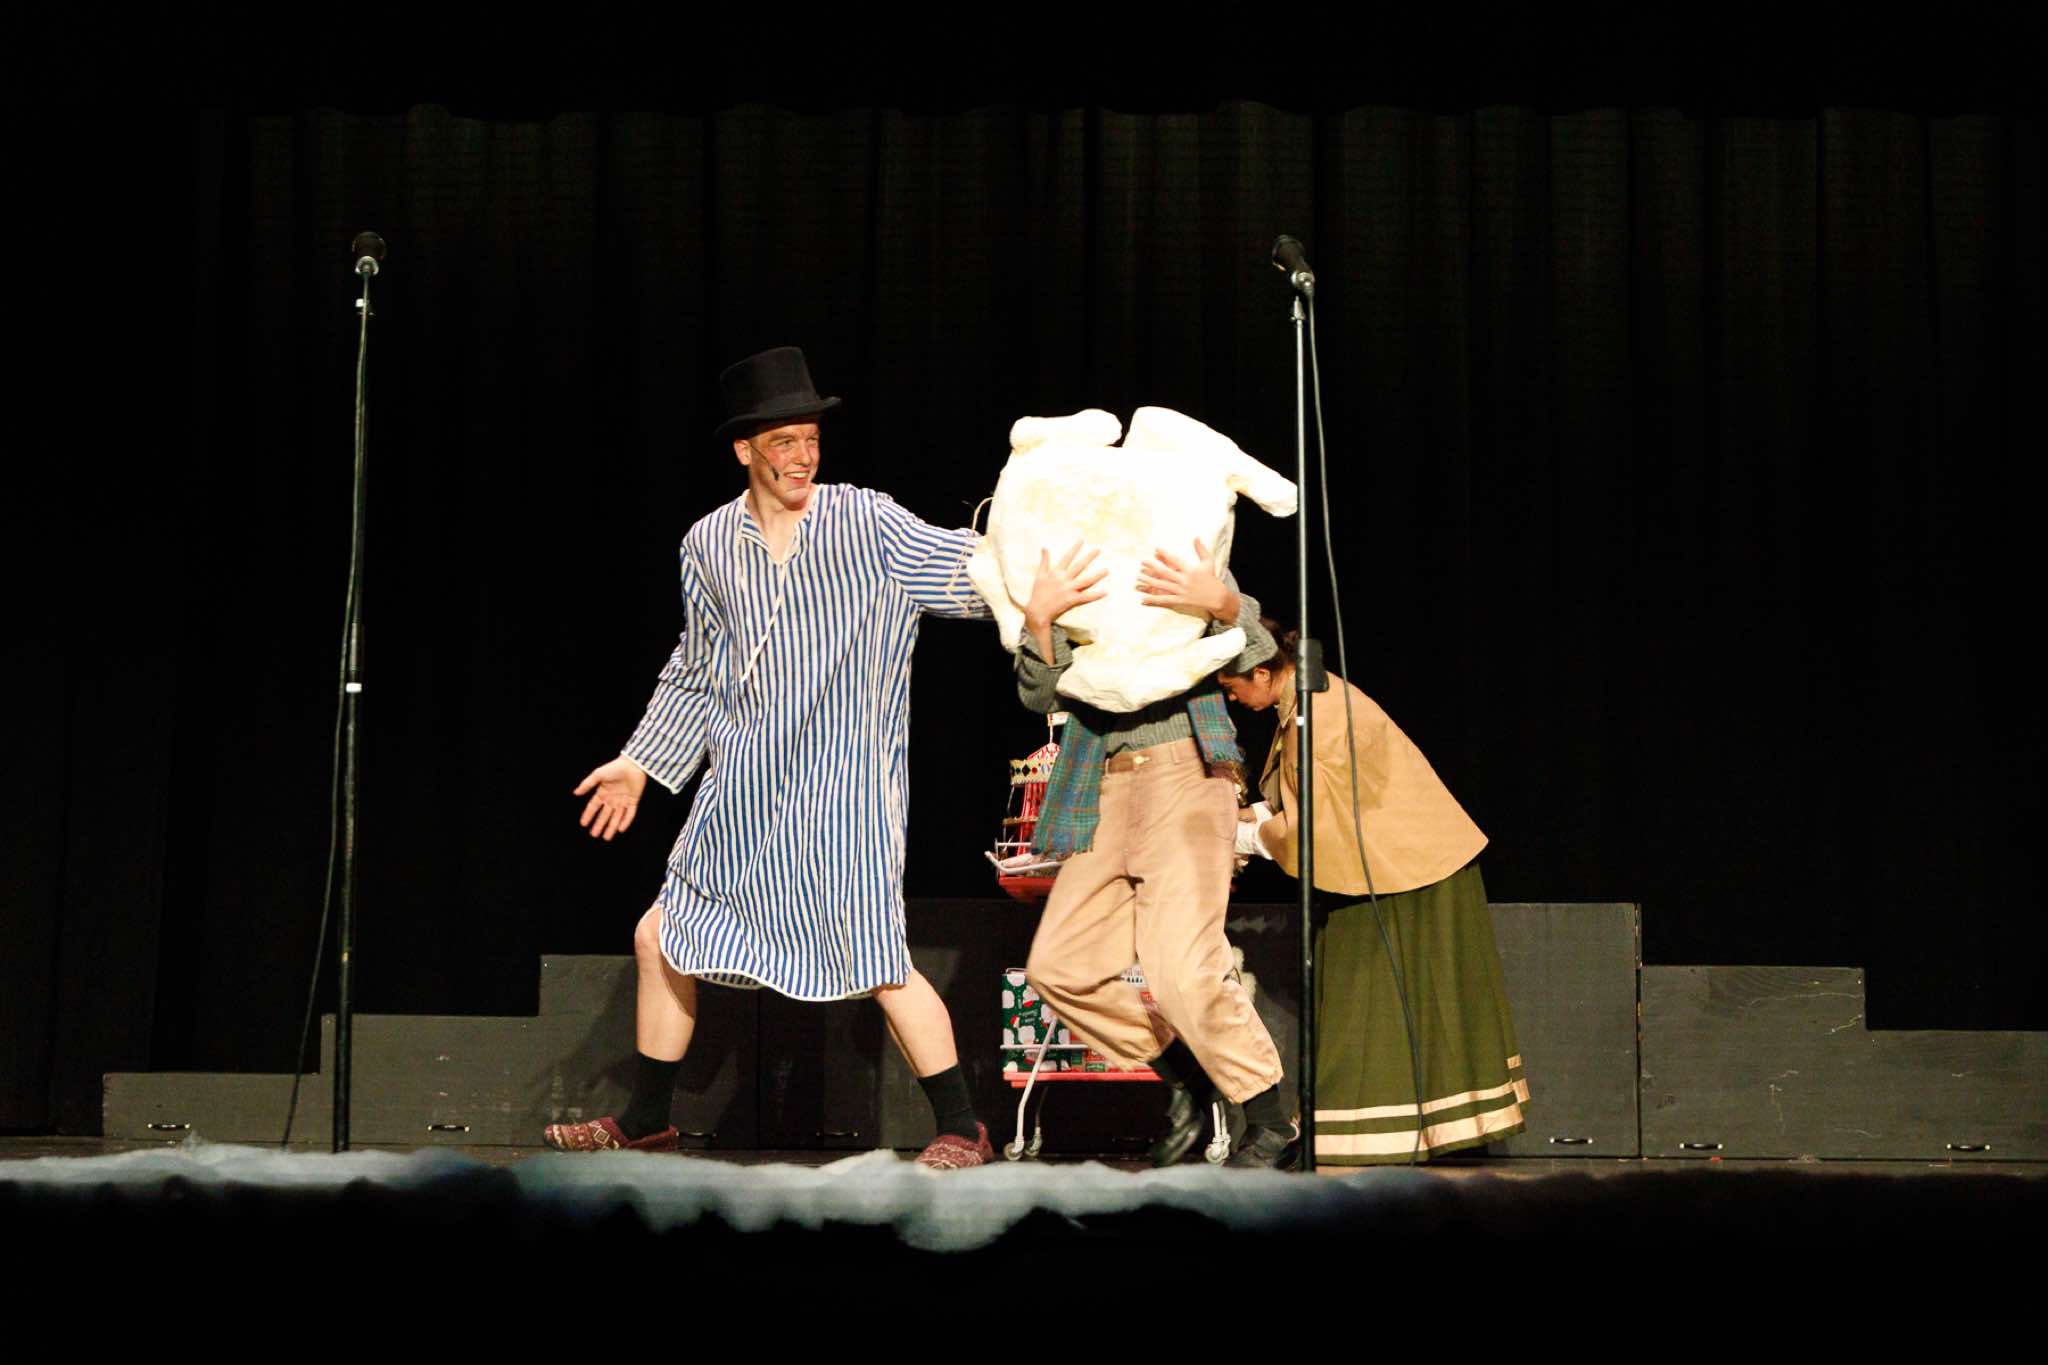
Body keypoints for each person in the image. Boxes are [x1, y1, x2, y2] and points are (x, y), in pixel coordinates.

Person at [545, 346, 996, 1168]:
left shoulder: (865, 520)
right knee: (662, 932)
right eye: (784, 440)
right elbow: (696, 668)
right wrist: (639, 763)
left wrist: (1030, 590)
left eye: (811, 438)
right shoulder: (710, 543)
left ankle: (963, 1126)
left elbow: (964, 570)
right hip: (743, 789)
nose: (803, 455)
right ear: (744, 448)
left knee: (876, 956)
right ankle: (647, 1118)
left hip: (844, 789)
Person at [1016, 539, 1297, 1168]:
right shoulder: (1072, 567)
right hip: (1101, 784)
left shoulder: (1176, 542)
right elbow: (1039, 697)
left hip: (1185, 773)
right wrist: (1039, 621)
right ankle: (1189, 1081)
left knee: (1183, 971)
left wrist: (1223, 604)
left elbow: (1256, 655)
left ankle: (1272, 1121)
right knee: (1058, 967)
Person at [1217, 617, 1527, 1166]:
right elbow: (1308, 800)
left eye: (1233, 685)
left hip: (1408, 869)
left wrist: (1240, 834)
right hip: (1382, 867)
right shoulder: (1303, 701)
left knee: (1379, 1004)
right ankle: (1356, 1133)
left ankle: (1363, 1135)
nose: (1232, 698)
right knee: (1365, 1001)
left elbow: (1311, 830)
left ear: (1262, 673)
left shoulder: (1317, 716)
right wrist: (1250, 816)